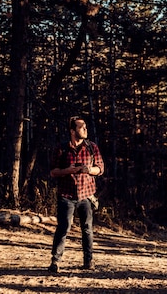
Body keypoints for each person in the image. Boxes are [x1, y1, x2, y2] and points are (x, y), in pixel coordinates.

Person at [48, 115, 104, 273]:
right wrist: (69, 170)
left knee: (87, 228)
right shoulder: (62, 149)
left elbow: (100, 168)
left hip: (86, 195)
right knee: (63, 227)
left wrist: (89, 170)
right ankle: (55, 261)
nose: (85, 129)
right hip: (66, 195)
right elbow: (53, 172)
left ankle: (89, 261)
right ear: (73, 131)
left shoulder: (92, 147)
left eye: (85, 126)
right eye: (81, 127)